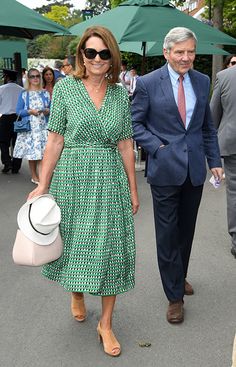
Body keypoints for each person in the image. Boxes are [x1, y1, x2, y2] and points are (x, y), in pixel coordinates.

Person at [27, 25, 139, 357]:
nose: (97, 59)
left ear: (112, 57)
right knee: (76, 242)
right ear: (81, 56)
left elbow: (126, 144)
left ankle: (105, 323)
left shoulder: (120, 94)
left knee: (111, 249)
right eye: (91, 52)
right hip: (72, 178)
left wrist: (134, 188)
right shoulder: (65, 90)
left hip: (110, 178)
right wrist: (42, 186)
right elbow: (55, 139)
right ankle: (77, 290)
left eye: (104, 53)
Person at [132, 27, 223, 324]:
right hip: (164, 170)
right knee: (168, 235)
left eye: (191, 52)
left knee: (186, 231)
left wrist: (215, 160)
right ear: (167, 52)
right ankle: (174, 296)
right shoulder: (146, 83)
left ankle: (179, 274)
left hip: (194, 169)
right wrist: (157, 148)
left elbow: (206, 127)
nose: (186, 57)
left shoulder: (201, 80)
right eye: (180, 52)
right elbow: (135, 125)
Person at [210, 61, 236, 259]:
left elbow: (213, 114)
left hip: (232, 142)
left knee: (234, 192)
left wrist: (211, 148)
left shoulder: (225, 77)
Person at [13, 68, 51, 184]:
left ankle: (43, 177)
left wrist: (46, 111)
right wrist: (29, 112)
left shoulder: (45, 93)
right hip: (30, 128)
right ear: (28, 79)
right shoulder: (24, 94)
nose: (35, 78)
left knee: (44, 154)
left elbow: (52, 109)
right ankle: (34, 176)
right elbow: (18, 111)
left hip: (43, 128)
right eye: (32, 76)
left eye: (37, 76)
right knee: (32, 154)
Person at [0, 69, 23, 174]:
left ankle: (7, 162)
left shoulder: (1, 89)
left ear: (7, 77)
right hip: (18, 118)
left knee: (3, 142)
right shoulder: (22, 90)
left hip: (5, 118)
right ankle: (16, 166)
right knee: (17, 143)